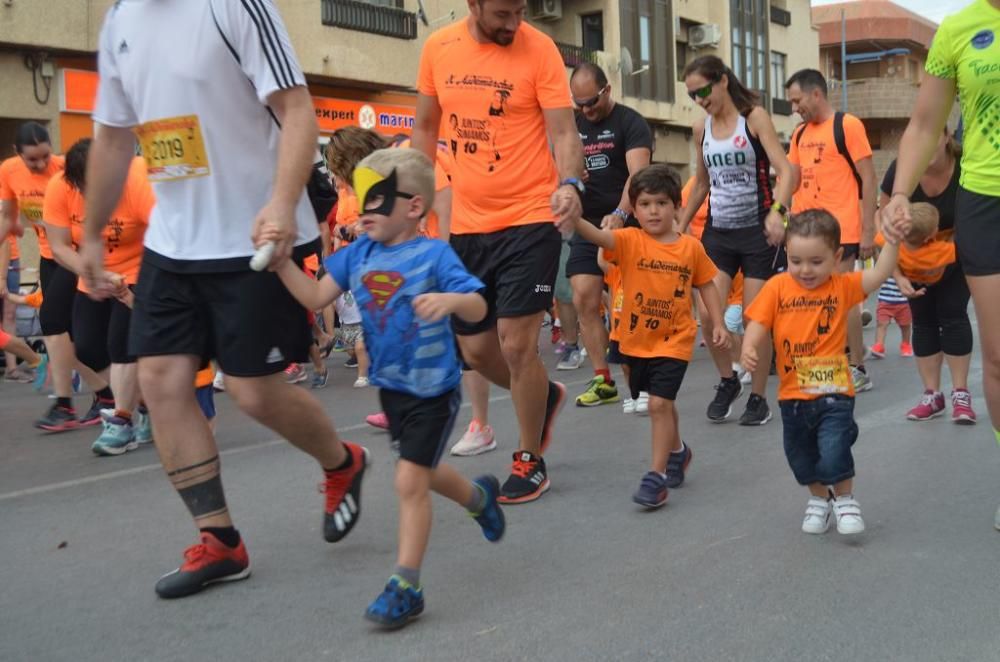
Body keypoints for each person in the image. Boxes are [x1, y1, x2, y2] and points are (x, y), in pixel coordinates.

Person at [81, 0, 369, 598]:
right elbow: (111, 140)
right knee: (160, 381)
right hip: (172, 242)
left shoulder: (233, 6)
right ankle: (219, 540)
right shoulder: (119, 21)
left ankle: (342, 462)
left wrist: (282, 202)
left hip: (252, 234)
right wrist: (89, 232)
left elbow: (295, 109)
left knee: (251, 390)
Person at [266, 147, 506, 629]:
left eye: (374, 199)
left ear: (414, 206)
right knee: (424, 474)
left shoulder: (434, 253)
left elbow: (479, 307)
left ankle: (406, 585)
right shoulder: (357, 253)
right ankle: (479, 499)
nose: (360, 209)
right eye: (357, 197)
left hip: (435, 390)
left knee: (408, 480)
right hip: (393, 389)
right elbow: (315, 296)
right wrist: (280, 265)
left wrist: (450, 299)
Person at [412, 0, 585, 503]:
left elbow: (563, 133)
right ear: (472, 5)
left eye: (520, 11)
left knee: (515, 344)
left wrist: (570, 183)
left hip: (532, 215)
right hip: (466, 224)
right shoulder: (438, 48)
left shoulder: (541, 49)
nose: (515, 24)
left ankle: (530, 458)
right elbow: (424, 128)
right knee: (476, 349)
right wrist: (416, 200)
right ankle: (543, 395)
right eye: (503, 14)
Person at [881, 0, 1000, 530]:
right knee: (998, 358)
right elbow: (925, 122)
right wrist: (899, 194)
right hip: (986, 201)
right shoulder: (959, 29)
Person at [564, 163, 727, 506]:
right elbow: (599, 237)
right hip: (635, 341)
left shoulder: (689, 247)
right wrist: (575, 218)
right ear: (634, 210)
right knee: (658, 403)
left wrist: (719, 323)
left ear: (676, 207)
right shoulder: (627, 240)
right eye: (646, 204)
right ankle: (678, 451)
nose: (654, 211)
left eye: (662, 203)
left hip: (675, 339)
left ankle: (655, 477)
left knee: (658, 404)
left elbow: (707, 283)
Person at [743, 209, 901, 536]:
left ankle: (844, 501)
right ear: (786, 253)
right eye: (796, 260)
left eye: (816, 261)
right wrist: (749, 346)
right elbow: (758, 322)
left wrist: (894, 241)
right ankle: (819, 501)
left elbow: (880, 273)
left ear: (837, 256)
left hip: (834, 391)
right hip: (792, 395)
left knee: (834, 448)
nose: (805, 270)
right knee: (800, 456)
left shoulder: (842, 286)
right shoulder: (777, 287)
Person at [676, 55, 797, 426]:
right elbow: (702, 183)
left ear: (723, 81)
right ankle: (728, 380)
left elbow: (787, 171)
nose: (699, 99)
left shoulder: (754, 118)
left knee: (754, 318)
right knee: (709, 315)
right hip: (719, 232)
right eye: (692, 94)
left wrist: (779, 212)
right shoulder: (702, 130)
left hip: (758, 231)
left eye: (703, 90)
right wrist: (679, 228)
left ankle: (759, 397)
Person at [44, 138, 155, 455]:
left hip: (140, 269)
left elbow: (165, 233)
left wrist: (135, 286)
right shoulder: (59, 188)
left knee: (121, 346)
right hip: (93, 272)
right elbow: (60, 247)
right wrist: (95, 274)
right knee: (90, 349)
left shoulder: (137, 178)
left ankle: (121, 423)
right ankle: (144, 403)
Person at [0, 122, 112, 430]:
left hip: (73, 253)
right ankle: (92, 397)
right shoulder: (9, 171)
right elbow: (9, 219)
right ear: (16, 154)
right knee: (64, 333)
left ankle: (81, 399)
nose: (40, 165)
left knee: (53, 323)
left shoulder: (67, 169)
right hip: (49, 257)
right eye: (32, 159)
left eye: (45, 157)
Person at [785, 69, 879, 393]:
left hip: (842, 228)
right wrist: (781, 218)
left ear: (816, 94)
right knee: (810, 300)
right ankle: (823, 366)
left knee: (841, 298)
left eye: (797, 100)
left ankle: (857, 366)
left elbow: (868, 177)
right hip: (806, 228)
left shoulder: (847, 125)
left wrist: (868, 232)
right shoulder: (798, 135)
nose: (795, 107)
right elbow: (792, 180)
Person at [568, 62, 653, 407]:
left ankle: (644, 378)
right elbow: (558, 165)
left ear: (607, 90)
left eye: (591, 102)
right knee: (583, 297)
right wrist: (572, 176)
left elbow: (638, 175)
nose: (586, 110)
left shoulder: (631, 123)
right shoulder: (573, 125)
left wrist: (620, 213)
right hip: (587, 224)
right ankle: (603, 379)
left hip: (627, 224)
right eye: (579, 105)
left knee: (631, 305)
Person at [879, 131, 974, 424]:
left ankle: (961, 394)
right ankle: (932, 395)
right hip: (912, 257)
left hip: (958, 252)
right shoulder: (900, 170)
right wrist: (895, 275)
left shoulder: (965, 165)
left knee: (953, 314)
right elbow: (883, 222)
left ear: (945, 136)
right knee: (922, 320)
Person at [869, 278, 913, 359]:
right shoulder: (887, 266)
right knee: (881, 323)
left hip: (903, 301)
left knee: (905, 325)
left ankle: (906, 345)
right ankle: (879, 346)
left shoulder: (906, 266)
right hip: (885, 301)